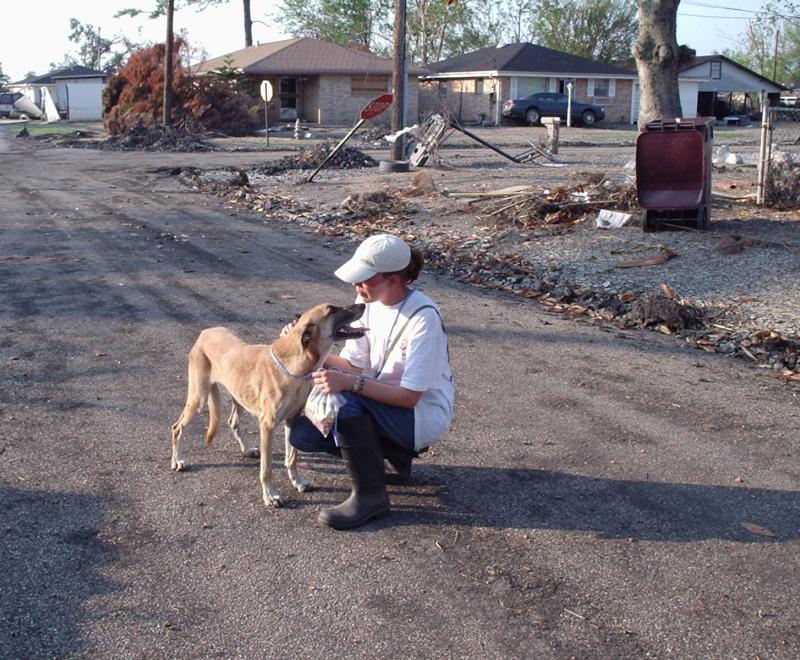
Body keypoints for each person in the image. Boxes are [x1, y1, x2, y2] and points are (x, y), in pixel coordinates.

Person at [286, 233, 454, 530]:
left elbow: (409, 397)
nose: (356, 286)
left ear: (394, 280)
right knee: (303, 435)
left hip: (420, 415)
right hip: (381, 402)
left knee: (344, 406)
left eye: (364, 279)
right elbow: (353, 365)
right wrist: (304, 344)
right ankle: (395, 456)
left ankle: (371, 496)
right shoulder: (368, 302)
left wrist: (349, 384)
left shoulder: (423, 318)